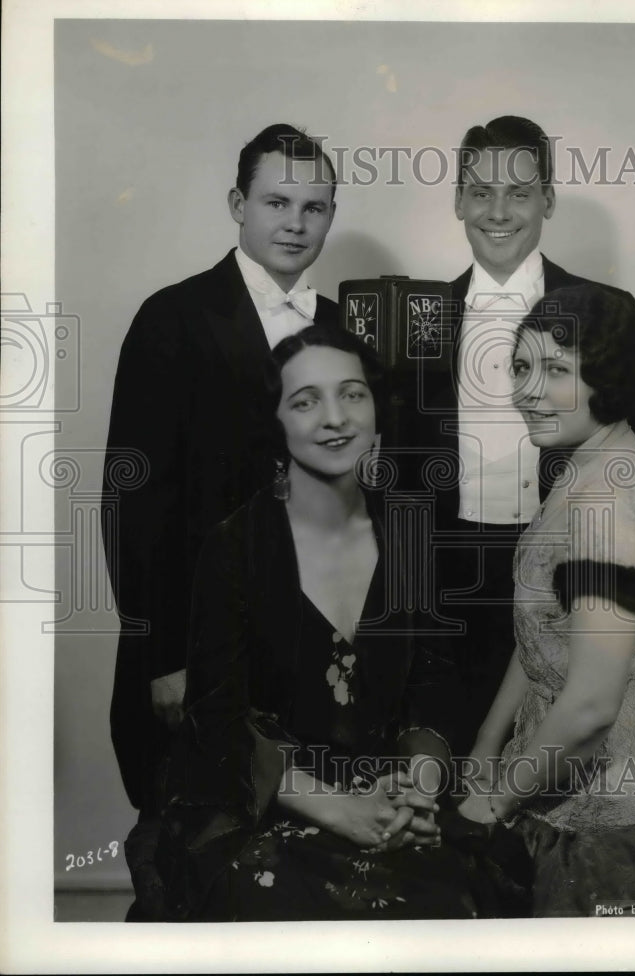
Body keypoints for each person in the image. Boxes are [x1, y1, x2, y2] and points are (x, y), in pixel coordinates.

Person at [155, 325, 482, 921]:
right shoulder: (234, 546)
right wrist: (340, 811)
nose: (335, 418)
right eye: (305, 402)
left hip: (390, 796)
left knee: (461, 895)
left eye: (352, 394)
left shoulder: (406, 533)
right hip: (272, 806)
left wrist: (420, 787)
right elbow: (217, 720)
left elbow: (432, 687)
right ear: (274, 422)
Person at [101, 124, 339, 913]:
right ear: (239, 204)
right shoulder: (172, 318)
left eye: (314, 207)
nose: (295, 224)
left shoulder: (340, 327)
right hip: (191, 642)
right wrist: (161, 653)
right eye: (276, 201)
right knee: (189, 856)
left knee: (290, 869)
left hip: (303, 640)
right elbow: (133, 504)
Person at [455, 284, 635, 916]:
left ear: (606, 378)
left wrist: (494, 801)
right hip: (574, 780)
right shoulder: (598, 464)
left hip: (625, 818)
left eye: (557, 370)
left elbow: (589, 707)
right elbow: (546, 633)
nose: (530, 390)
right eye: (522, 367)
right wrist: (486, 741)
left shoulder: (606, 511)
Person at [406, 114, 635, 754]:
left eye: (519, 193)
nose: (497, 212)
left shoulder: (604, 308)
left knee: (556, 772)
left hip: (563, 577)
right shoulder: (418, 320)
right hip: (445, 587)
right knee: (450, 777)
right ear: (457, 202)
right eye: (480, 192)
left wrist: (588, 557)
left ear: (547, 201)